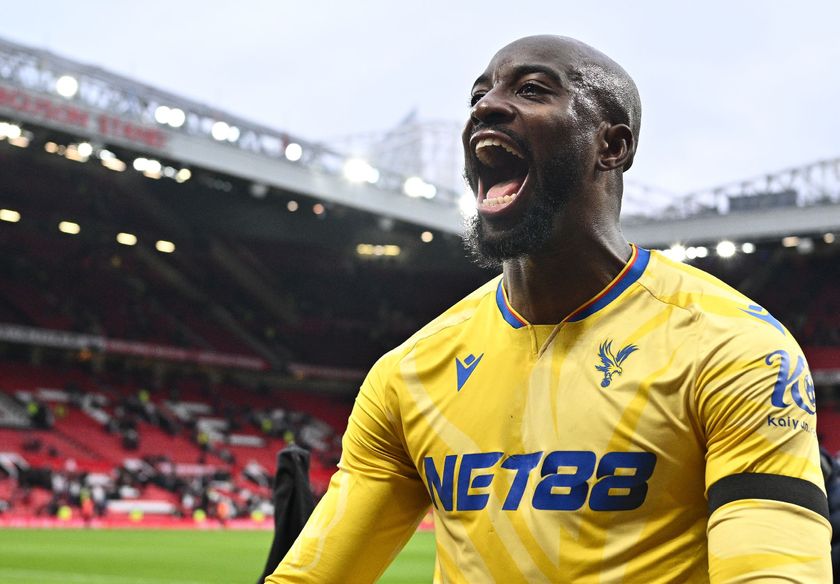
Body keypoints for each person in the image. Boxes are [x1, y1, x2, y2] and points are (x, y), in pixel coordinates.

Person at [267, 35, 831, 582]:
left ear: (612, 146)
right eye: (478, 95)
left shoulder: (733, 347)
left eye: (532, 89)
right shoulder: (408, 372)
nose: (486, 106)